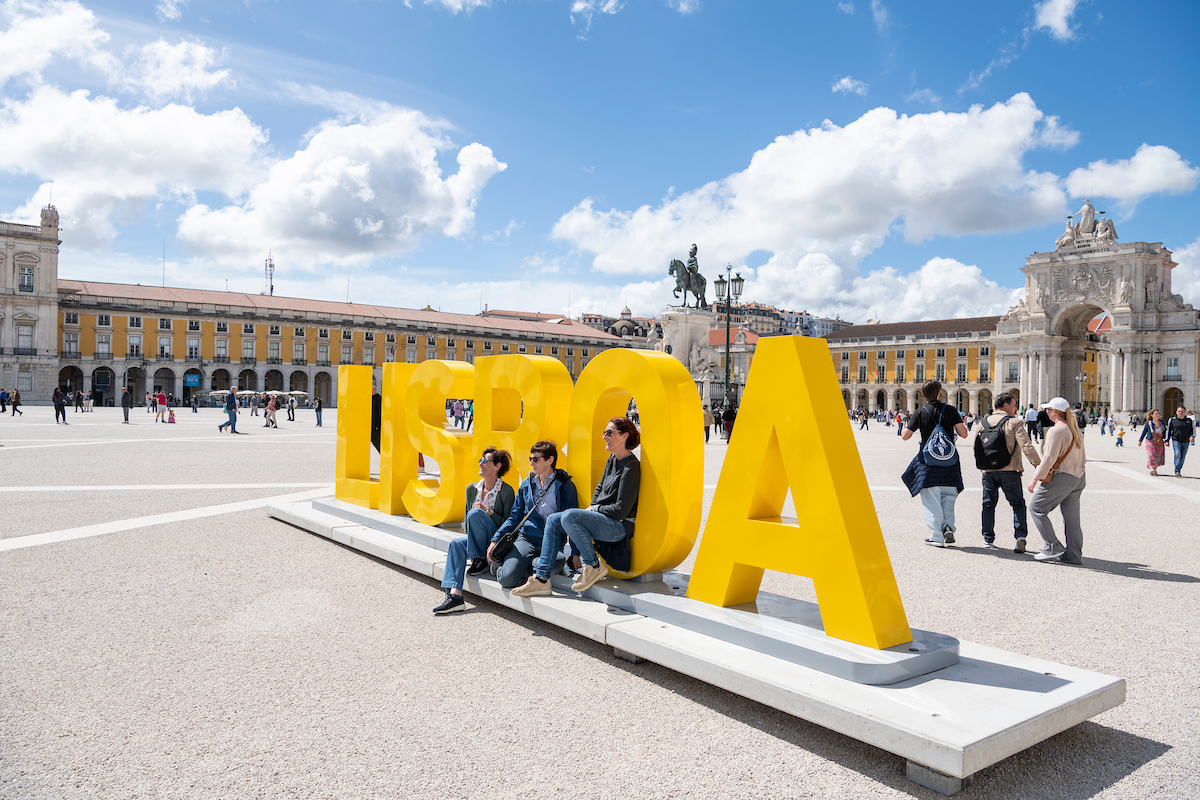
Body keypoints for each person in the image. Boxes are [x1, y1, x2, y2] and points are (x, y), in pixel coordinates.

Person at [513, 417, 641, 596]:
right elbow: (599, 488)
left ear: (624, 436)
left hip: (618, 526)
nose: (604, 437)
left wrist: (594, 510)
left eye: (609, 433)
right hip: (603, 520)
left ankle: (593, 565)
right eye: (604, 433)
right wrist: (592, 510)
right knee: (553, 519)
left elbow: (621, 509)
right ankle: (542, 580)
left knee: (569, 516)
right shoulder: (612, 459)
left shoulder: (631, 467)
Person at [434, 448, 516, 614]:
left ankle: (480, 559)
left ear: (498, 466)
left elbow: (509, 526)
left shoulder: (506, 491)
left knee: (476, 513)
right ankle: (455, 595)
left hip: (495, 542)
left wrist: (487, 512)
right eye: (480, 460)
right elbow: (466, 524)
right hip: (477, 542)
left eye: (485, 461)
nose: (480, 464)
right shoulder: (471, 489)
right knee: (456, 543)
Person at [488, 441, 579, 591]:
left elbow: (572, 521)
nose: (531, 463)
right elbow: (515, 516)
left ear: (550, 460)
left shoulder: (565, 486)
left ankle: (526, 565)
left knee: (557, 562)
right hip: (527, 538)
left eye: (536, 459)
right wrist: (496, 539)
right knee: (506, 579)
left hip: (553, 543)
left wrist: (575, 553)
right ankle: (505, 565)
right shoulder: (527, 484)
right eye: (530, 459)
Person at [901, 380, 968, 547]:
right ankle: (948, 527)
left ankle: (937, 536)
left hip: (928, 462)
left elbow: (905, 436)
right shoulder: (951, 410)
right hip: (949, 461)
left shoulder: (920, 412)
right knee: (949, 497)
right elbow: (964, 434)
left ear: (923, 395)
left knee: (931, 498)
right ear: (939, 393)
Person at [975, 392, 1041, 553]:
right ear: (1005, 406)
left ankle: (987, 538)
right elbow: (1027, 446)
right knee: (1017, 504)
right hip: (1010, 471)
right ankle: (1020, 537)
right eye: (1014, 405)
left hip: (988, 471)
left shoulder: (983, 423)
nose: (1015, 408)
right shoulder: (1014, 423)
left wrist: (983, 467)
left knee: (988, 504)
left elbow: (976, 448)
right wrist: (1039, 467)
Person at [1028, 397, 1087, 565]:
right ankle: (1074, 555)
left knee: (1036, 508)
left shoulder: (1056, 431)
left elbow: (1049, 458)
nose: (1046, 412)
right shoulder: (1074, 429)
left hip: (1063, 477)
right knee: (1072, 518)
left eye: (1048, 409)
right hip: (1078, 477)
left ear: (1055, 412)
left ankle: (1052, 546)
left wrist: (1035, 479)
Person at [1166, 406, 1195, 477]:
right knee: (1177, 454)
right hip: (1176, 440)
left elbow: (1192, 429)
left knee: (1182, 457)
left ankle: (1179, 469)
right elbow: (1168, 430)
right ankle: (1177, 471)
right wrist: (1167, 440)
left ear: (1185, 412)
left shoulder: (1189, 420)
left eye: (1182, 412)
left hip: (1186, 441)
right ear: (1176, 412)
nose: (1180, 413)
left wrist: (1192, 436)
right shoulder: (1172, 420)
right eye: (1179, 411)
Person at [1137, 409, 1166, 476]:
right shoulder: (1149, 423)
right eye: (1156, 413)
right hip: (1150, 441)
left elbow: (1165, 431)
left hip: (1159, 441)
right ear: (1152, 415)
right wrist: (1140, 440)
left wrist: (1166, 440)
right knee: (1151, 454)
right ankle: (1152, 469)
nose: (1158, 415)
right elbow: (1144, 432)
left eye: (1158, 413)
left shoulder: (1162, 423)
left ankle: (1154, 469)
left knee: (1158, 456)